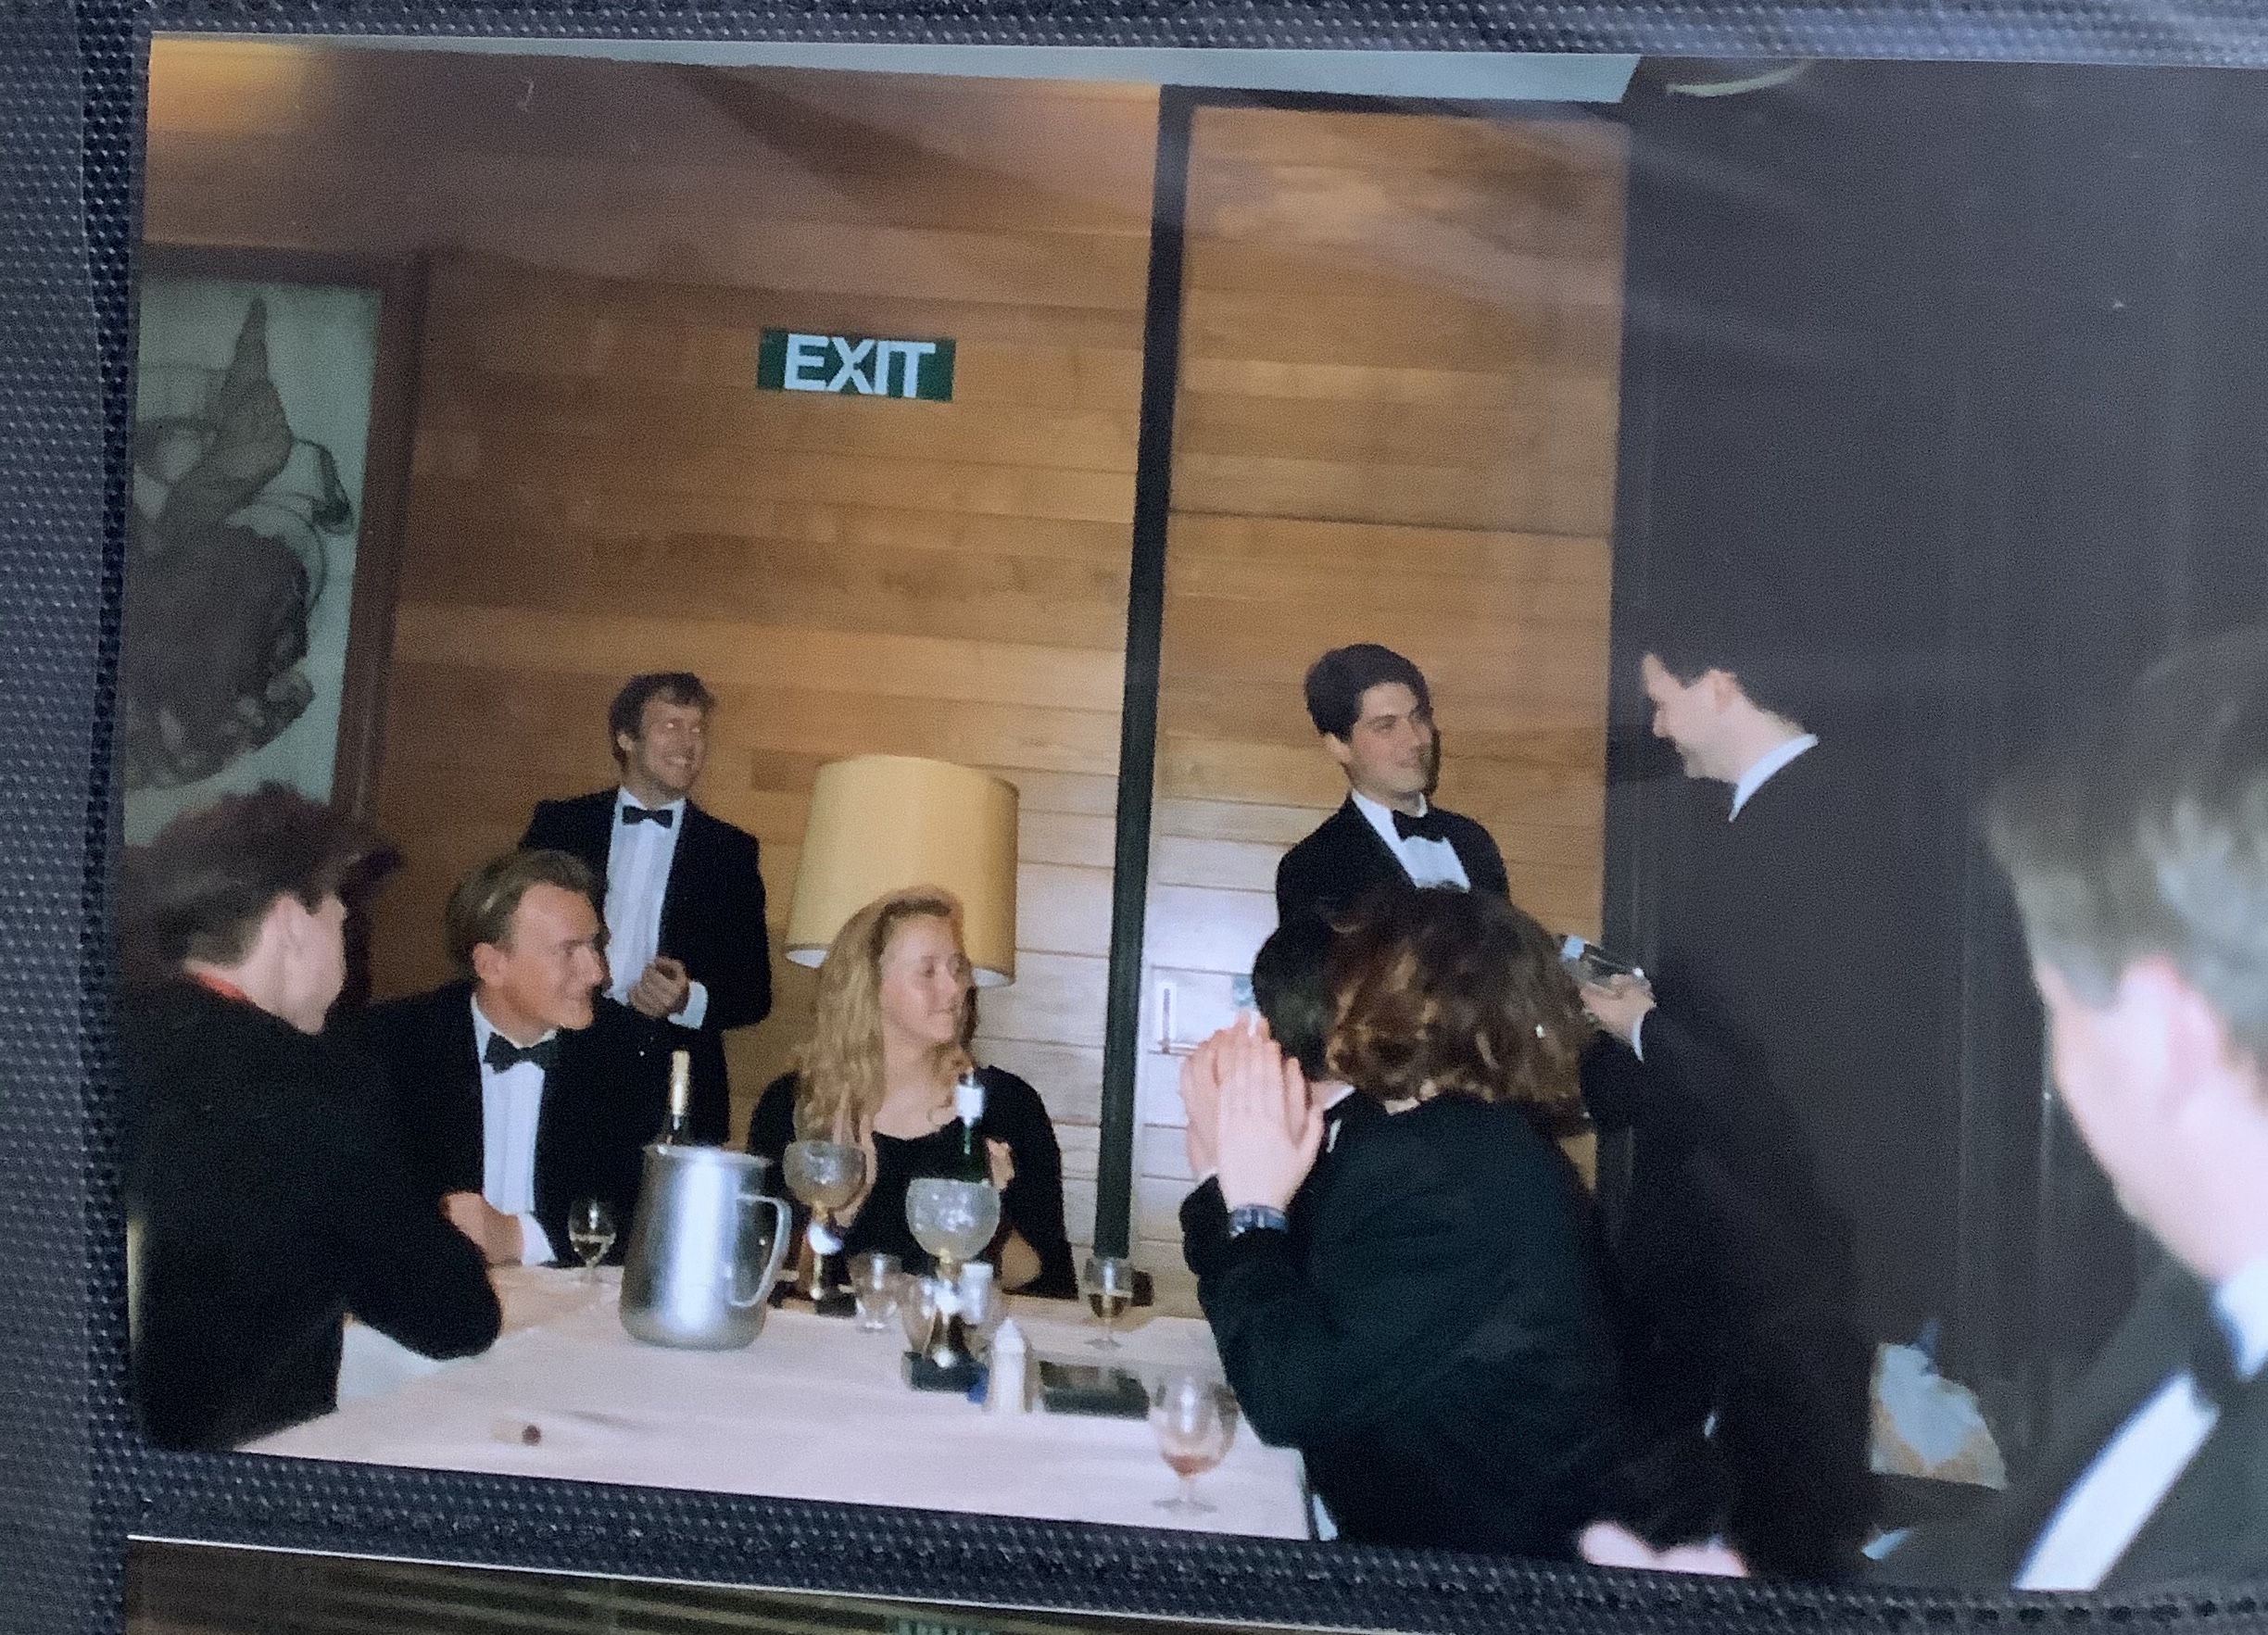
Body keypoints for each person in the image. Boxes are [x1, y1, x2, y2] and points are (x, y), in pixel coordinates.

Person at [1587, 623, 2268, 1592]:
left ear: (2172, 1032)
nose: (2059, 1076)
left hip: (1784, 1241)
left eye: (2062, 1008)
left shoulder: (1822, 830)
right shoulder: (2175, 1330)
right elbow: (2019, 1567)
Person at [1179, 887, 1629, 1556]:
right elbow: (1300, 1324)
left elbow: (1287, 1395)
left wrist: (1248, 1210)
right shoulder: (1424, 1137)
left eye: (1357, 970)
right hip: (1430, 1542)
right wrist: (1224, 1183)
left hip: (1486, 1581)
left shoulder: (1452, 1164)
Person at [120, 785, 500, 1452]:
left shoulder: (84, 1040)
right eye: (339, 916)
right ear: (292, 922)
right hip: (223, 1482)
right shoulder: (310, 1085)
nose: (346, 940)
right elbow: (456, 1317)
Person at [361, 849, 718, 1268]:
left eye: (595, 945)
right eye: (568, 950)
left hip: (580, 1302)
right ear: (491, 964)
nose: (596, 972)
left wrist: (521, 1237)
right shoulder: (393, 1046)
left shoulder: (633, 1052)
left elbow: (665, 1218)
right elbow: (362, 1206)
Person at [744, 887, 1076, 1297]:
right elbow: (770, 1276)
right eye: (928, 972)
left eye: (957, 968)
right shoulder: (794, 1106)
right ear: (868, 987)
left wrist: (983, 1214)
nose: (954, 989)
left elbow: (1046, 1281)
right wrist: (839, 1213)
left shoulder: (1007, 1107)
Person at [521, 672, 767, 1144]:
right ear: (626, 737)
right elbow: (510, 939)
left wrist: (686, 1000)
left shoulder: (730, 851)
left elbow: (753, 992)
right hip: (561, 1060)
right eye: (671, 726)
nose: (689, 743)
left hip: (674, 1080)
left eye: (698, 729)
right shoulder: (560, 826)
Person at [1274, 644, 1510, 932]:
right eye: (1386, 726)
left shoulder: (1472, 840)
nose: (1415, 740)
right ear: (1338, 745)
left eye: (1418, 718)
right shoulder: (1312, 868)